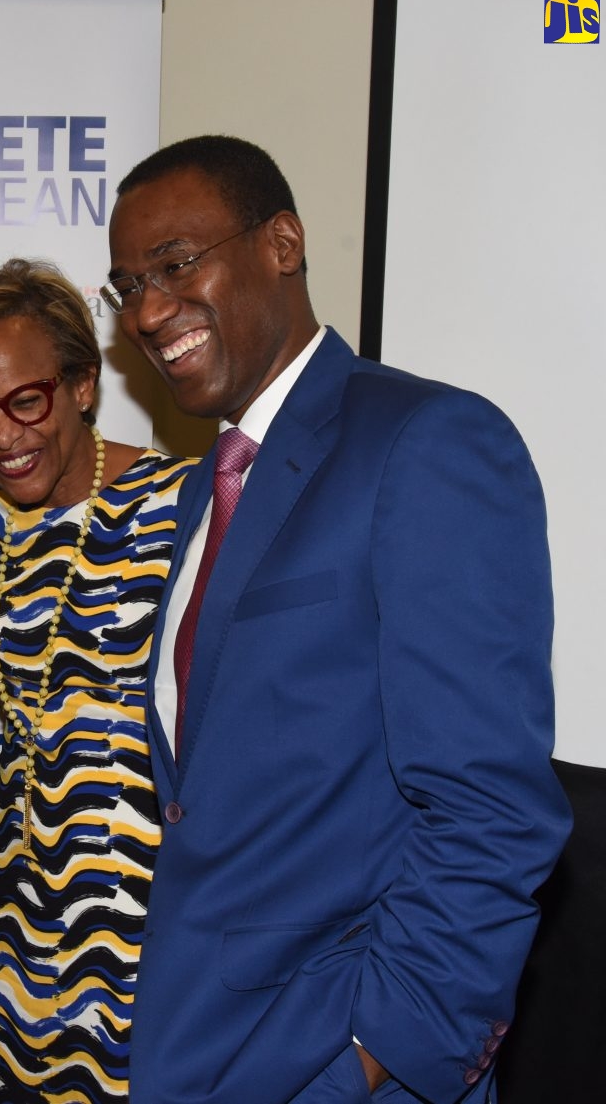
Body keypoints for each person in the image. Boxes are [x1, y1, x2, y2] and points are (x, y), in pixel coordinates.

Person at [101, 134, 571, 1103]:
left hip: (337, 1059)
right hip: (195, 1043)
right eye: (126, 285)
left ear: (282, 243)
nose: (147, 311)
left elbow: (491, 810)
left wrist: (373, 1053)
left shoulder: (427, 443)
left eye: (176, 265)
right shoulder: (208, 489)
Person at [0, 259, 192, 1102]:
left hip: (159, 912)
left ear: (81, 382)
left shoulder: (190, 509)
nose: (2, 436)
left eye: (25, 400)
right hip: (24, 913)